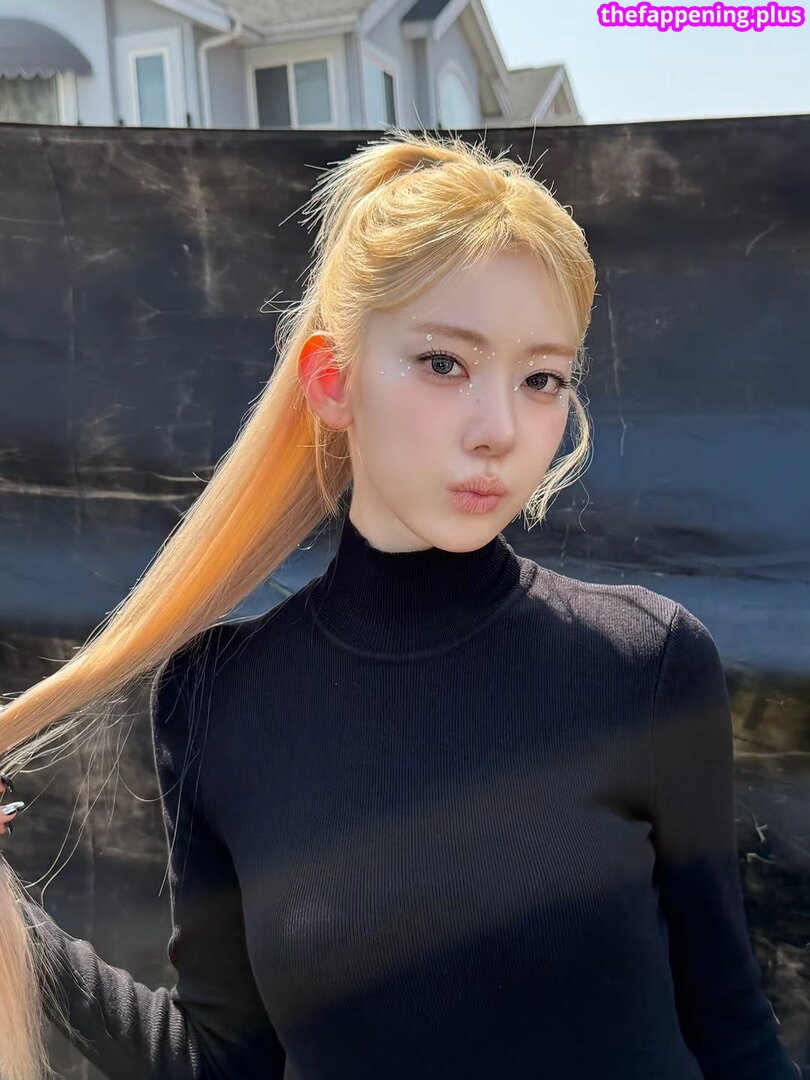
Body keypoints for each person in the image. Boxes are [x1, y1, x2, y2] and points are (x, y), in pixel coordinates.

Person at [0, 127, 801, 1080]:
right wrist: (21, 929)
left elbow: (734, 1034)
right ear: (331, 382)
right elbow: (223, 1062)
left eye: (542, 379)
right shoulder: (217, 696)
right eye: (445, 364)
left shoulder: (646, 661)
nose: (499, 429)